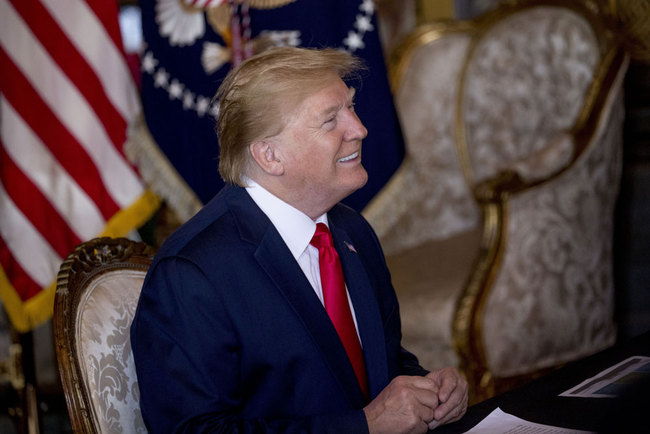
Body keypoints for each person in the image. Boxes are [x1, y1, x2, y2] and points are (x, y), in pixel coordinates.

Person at [131, 46, 468, 433]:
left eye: (351, 107)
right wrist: (363, 427)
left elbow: (378, 365)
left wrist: (429, 390)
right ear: (270, 156)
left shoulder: (351, 231)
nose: (359, 129)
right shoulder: (191, 275)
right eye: (330, 120)